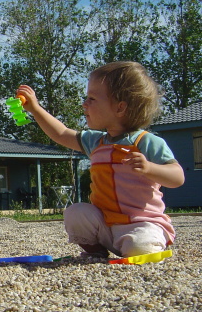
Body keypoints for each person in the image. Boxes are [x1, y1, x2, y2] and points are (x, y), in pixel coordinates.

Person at [17, 61, 185, 258]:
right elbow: (61, 133)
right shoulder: (96, 141)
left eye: (92, 98)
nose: (84, 104)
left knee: (139, 247)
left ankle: (145, 243)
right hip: (106, 224)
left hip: (142, 223)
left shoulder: (146, 141)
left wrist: (149, 168)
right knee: (75, 213)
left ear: (120, 107)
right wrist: (35, 109)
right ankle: (97, 251)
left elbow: (177, 177)